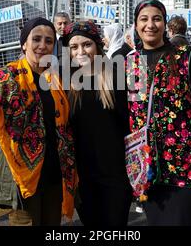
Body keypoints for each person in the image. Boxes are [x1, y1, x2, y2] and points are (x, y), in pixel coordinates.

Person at [126, 0, 191, 226]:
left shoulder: (186, 56)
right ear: (136, 25)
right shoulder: (132, 62)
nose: (150, 25)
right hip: (147, 166)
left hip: (187, 163)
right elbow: (134, 110)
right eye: (144, 19)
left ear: (165, 24)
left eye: (157, 18)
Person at [0, 17, 77, 226]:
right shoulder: (6, 77)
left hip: (54, 176)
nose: (42, 46)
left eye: (48, 41)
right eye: (36, 39)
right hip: (20, 181)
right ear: (24, 44)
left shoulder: (55, 78)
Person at [61, 20, 133, 226]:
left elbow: (133, 125)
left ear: (98, 45)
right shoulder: (65, 82)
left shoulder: (118, 75)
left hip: (116, 176)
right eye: (74, 47)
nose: (80, 51)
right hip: (83, 178)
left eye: (86, 44)